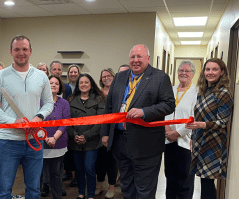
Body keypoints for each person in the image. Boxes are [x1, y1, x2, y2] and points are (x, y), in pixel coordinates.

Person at [100, 44, 175, 199]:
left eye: (139, 57)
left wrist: (144, 112)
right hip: (120, 142)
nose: (135, 60)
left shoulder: (160, 77)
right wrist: (106, 133)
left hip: (146, 144)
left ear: (147, 58)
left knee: (144, 190)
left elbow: (169, 105)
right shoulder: (120, 77)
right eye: (132, 57)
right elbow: (109, 106)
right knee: (127, 187)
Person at [0, 35, 53, 199]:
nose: (21, 53)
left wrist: (39, 116)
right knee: (4, 190)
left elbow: (49, 103)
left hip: (34, 140)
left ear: (30, 51)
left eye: (24, 49)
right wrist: (12, 122)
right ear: (11, 51)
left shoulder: (41, 76)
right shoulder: (0, 77)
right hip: (8, 141)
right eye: (17, 49)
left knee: (34, 190)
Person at [185, 58, 233, 199]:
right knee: (203, 180)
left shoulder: (223, 93)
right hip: (200, 139)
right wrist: (193, 138)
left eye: (214, 69)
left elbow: (222, 122)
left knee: (207, 181)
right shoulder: (203, 92)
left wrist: (201, 125)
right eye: (207, 69)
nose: (210, 72)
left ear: (222, 72)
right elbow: (197, 115)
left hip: (213, 143)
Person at [68, 73, 106, 199]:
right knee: (78, 169)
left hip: (92, 141)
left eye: (86, 82)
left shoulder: (99, 99)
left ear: (91, 84)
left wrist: (86, 136)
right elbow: (67, 121)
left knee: (89, 168)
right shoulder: (71, 99)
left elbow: (100, 122)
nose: (83, 85)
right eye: (81, 83)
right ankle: (80, 193)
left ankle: (90, 195)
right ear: (78, 85)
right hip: (75, 141)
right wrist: (75, 135)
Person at [164, 60, 197, 199]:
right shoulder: (171, 90)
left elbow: (194, 117)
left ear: (193, 74)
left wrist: (176, 133)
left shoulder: (197, 92)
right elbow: (164, 111)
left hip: (186, 142)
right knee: (170, 178)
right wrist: (167, 131)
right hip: (169, 141)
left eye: (187, 71)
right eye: (181, 70)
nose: (183, 73)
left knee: (185, 180)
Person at [40, 75, 71, 199]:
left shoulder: (64, 103)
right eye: (50, 83)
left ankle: (57, 196)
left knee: (56, 174)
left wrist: (54, 138)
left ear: (60, 87)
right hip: (41, 142)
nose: (53, 85)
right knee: (40, 174)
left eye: (56, 83)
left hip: (58, 144)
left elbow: (65, 123)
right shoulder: (39, 102)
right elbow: (36, 123)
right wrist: (46, 137)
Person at [95, 68, 118, 198]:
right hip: (98, 132)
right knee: (99, 162)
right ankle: (99, 185)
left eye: (108, 76)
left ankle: (111, 187)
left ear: (113, 77)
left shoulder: (117, 92)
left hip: (113, 131)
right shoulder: (97, 94)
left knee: (111, 161)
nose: (106, 78)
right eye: (103, 76)